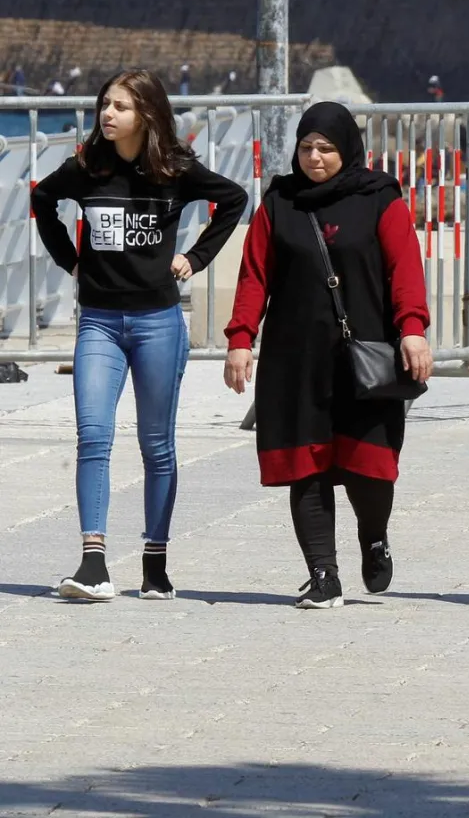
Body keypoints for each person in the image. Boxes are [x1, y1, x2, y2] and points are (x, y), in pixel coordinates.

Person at [30, 69, 247, 601]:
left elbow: (234, 200)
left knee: (157, 445)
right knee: (94, 436)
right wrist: (71, 262)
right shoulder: (87, 168)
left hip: (158, 324)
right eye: (105, 104)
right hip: (99, 322)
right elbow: (43, 202)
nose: (108, 114)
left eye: (120, 107)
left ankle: (155, 562)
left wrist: (193, 258)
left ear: (146, 114)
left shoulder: (175, 169)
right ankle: (93, 563)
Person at [223, 103, 432, 608]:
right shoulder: (279, 203)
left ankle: (374, 535)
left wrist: (413, 330)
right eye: (306, 147)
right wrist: (240, 340)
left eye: (326, 148)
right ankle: (323, 574)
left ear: (348, 150)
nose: (314, 157)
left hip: (365, 358)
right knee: (307, 466)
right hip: (296, 360)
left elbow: (404, 268)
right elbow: (254, 275)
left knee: (369, 467)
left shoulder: (379, 198)